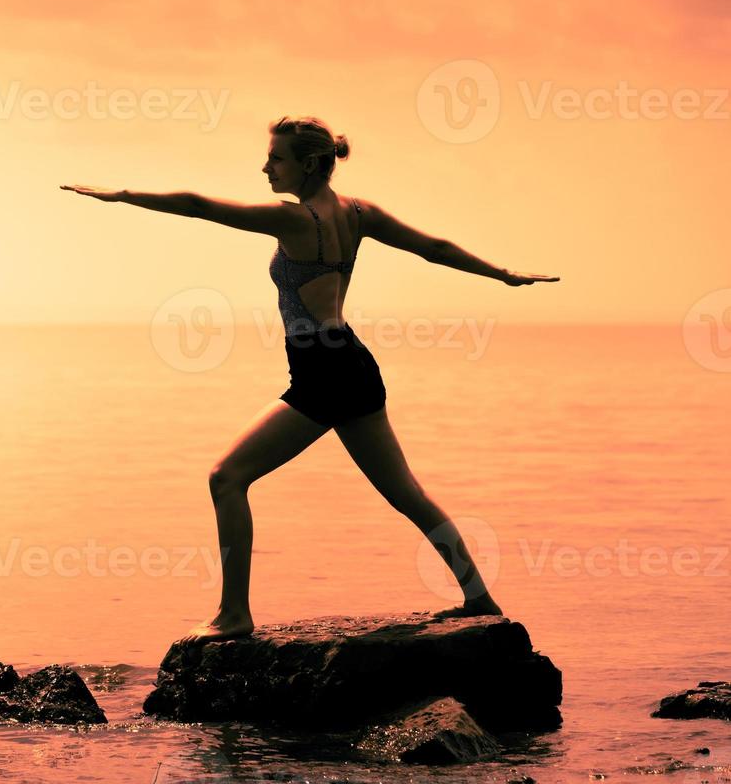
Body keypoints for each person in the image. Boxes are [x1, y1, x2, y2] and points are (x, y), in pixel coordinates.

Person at [60, 115, 560, 644]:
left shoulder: (296, 221)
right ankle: (479, 598)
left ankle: (234, 614)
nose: (266, 166)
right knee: (407, 494)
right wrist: (501, 274)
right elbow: (432, 247)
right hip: (352, 364)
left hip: (323, 373)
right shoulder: (359, 213)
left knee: (226, 478)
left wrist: (121, 195)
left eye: (277, 158)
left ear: (311, 164)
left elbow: (200, 206)